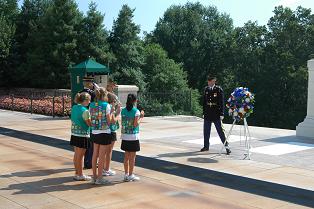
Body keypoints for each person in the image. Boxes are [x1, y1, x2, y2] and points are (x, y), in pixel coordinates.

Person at [201, 75, 231, 155]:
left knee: (220, 131)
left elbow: (221, 102)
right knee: (206, 131)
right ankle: (206, 146)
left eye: (210, 81)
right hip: (208, 113)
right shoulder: (206, 89)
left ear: (213, 81)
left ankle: (227, 147)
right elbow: (204, 102)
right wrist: (203, 113)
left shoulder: (218, 89)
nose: (208, 82)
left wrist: (222, 113)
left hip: (216, 113)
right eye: (208, 81)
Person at [90, 87, 112, 185]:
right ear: (104, 95)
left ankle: (94, 177)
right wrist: (113, 114)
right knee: (102, 156)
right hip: (104, 132)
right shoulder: (106, 105)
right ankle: (100, 178)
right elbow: (109, 121)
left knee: (95, 154)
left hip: (94, 131)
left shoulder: (91, 105)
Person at [121, 94, 144, 182]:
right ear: (134, 101)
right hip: (133, 136)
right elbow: (135, 124)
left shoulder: (123, 111)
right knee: (132, 157)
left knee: (126, 156)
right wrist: (141, 117)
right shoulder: (136, 111)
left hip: (125, 136)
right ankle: (131, 175)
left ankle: (126, 174)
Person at [70, 92, 92, 181]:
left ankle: (77, 172)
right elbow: (89, 123)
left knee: (76, 155)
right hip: (82, 135)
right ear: (86, 100)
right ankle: (80, 174)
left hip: (74, 134)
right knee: (80, 156)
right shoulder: (85, 111)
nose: (90, 102)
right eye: (89, 100)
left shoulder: (74, 107)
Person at [103, 92, 121, 176]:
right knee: (109, 151)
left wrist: (117, 111)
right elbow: (113, 120)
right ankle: (106, 169)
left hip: (105, 130)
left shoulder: (105, 106)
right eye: (115, 101)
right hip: (111, 131)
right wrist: (118, 114)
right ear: (112, 101)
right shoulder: (110, 107)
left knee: (104, 151)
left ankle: (103, 168)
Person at [80, 76, 96, 169]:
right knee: (90, 144)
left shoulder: (79, 92)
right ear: (90, 83)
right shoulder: (92, 93)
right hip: (89, 118)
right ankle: (89, 162)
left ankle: (86, 162)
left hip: (81, 119)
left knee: (84, 145)